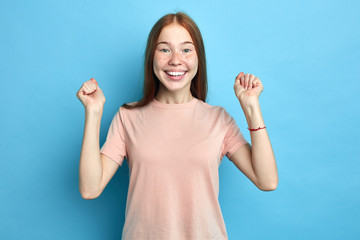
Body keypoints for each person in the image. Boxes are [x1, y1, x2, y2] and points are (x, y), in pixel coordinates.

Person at [76, 11, 278, 240]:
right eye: (164, 49)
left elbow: (267, 180)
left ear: (198, 57)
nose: (175, 59)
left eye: (186, 49)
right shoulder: (127, 117)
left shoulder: (219, 120)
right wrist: (93, 114)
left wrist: (251, 107)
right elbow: (90, 188)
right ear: (151, 57)